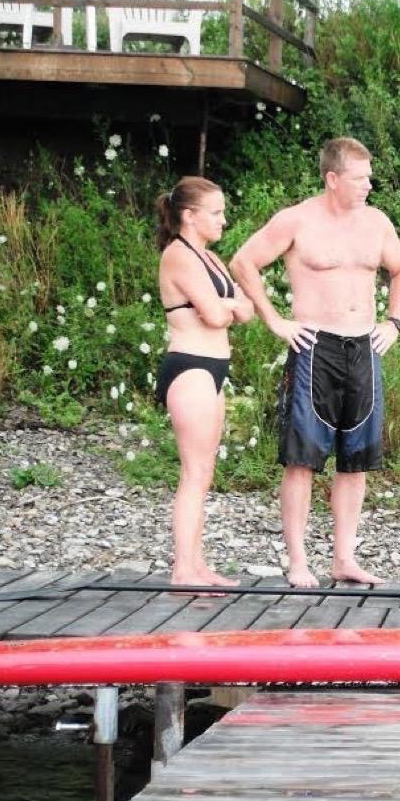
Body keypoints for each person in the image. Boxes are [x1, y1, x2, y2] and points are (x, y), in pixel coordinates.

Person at [230, 138, 400, 588]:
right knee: (302, 458)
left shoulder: (376, 223)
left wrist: (393, 322)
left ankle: (344, 559)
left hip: (364, 347)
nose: (369, 185)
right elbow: (244, 262)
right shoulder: (297, 220)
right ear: (333, 179)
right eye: (360, 178)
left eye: (370, 177)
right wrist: (275, 320)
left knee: (356, 459)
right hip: (315, 347)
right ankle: (298, 561)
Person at [154, 176, 254, 590]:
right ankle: (183, 569)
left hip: (213, 368)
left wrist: (227, 305)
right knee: (194, 472)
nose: (223, 220)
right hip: (190, 367)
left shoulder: (209, 258)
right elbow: (215, 316)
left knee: (205, 472)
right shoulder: (178, 255)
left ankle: (197, 565)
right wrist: (228, 305)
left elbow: (245, 310)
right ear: (189, 216)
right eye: (215, 213)